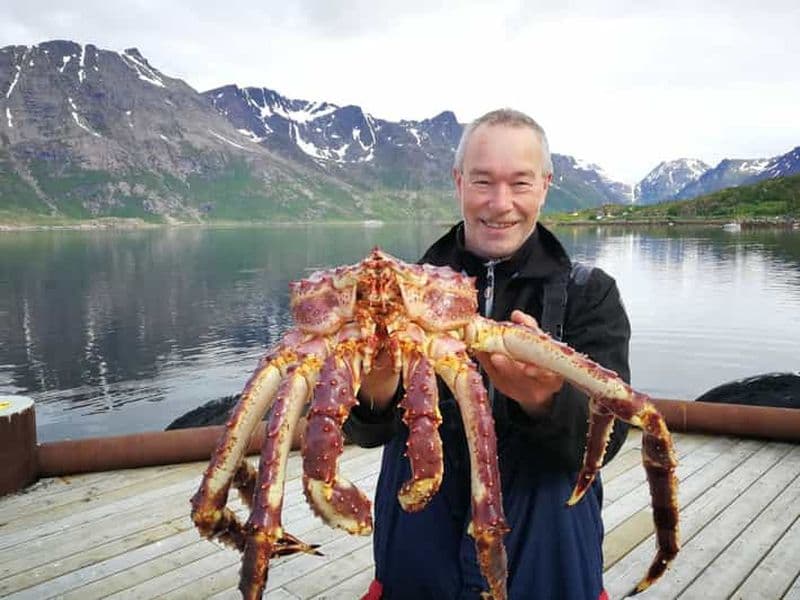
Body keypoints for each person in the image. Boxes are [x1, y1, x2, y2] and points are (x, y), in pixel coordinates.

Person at [344, 108, 631, 600]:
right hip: (419, 556)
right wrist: (373, 392)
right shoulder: (399, 292)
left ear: (545, 185)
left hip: (546, 563)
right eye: (483, 182)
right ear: (458, 182)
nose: (501, 204)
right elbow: (368, 432)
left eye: (520, 183)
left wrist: (546, 400)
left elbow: (613, 432)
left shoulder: (590, 294)